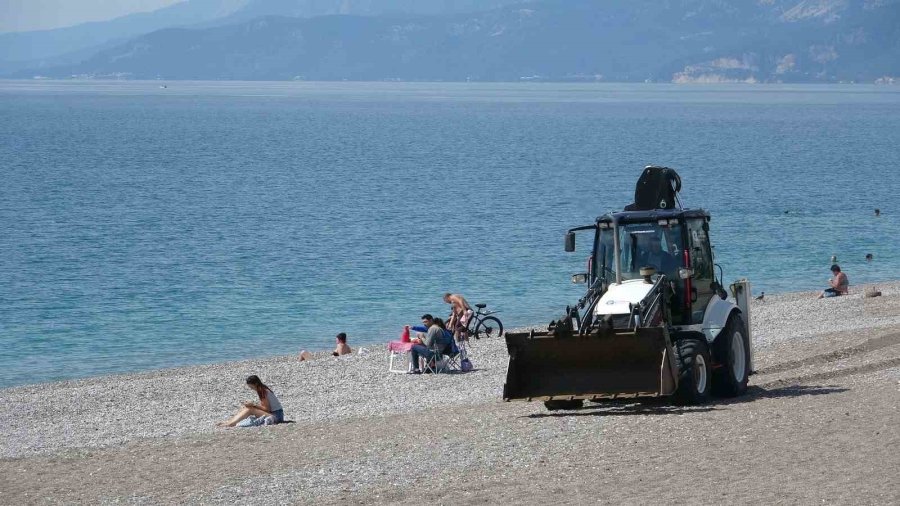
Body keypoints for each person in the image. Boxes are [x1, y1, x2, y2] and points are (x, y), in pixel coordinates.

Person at [217, 375, 284, 427]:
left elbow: (267, 409)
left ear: (256, 384)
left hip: (276, 416)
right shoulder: (263, 389)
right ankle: (230, 422)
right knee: (246, 408)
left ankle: (230, 424)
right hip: (276, 414)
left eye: (251, 387)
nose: (251, 389)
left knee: (250, 409)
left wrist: (253, 405)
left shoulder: (262, 391)